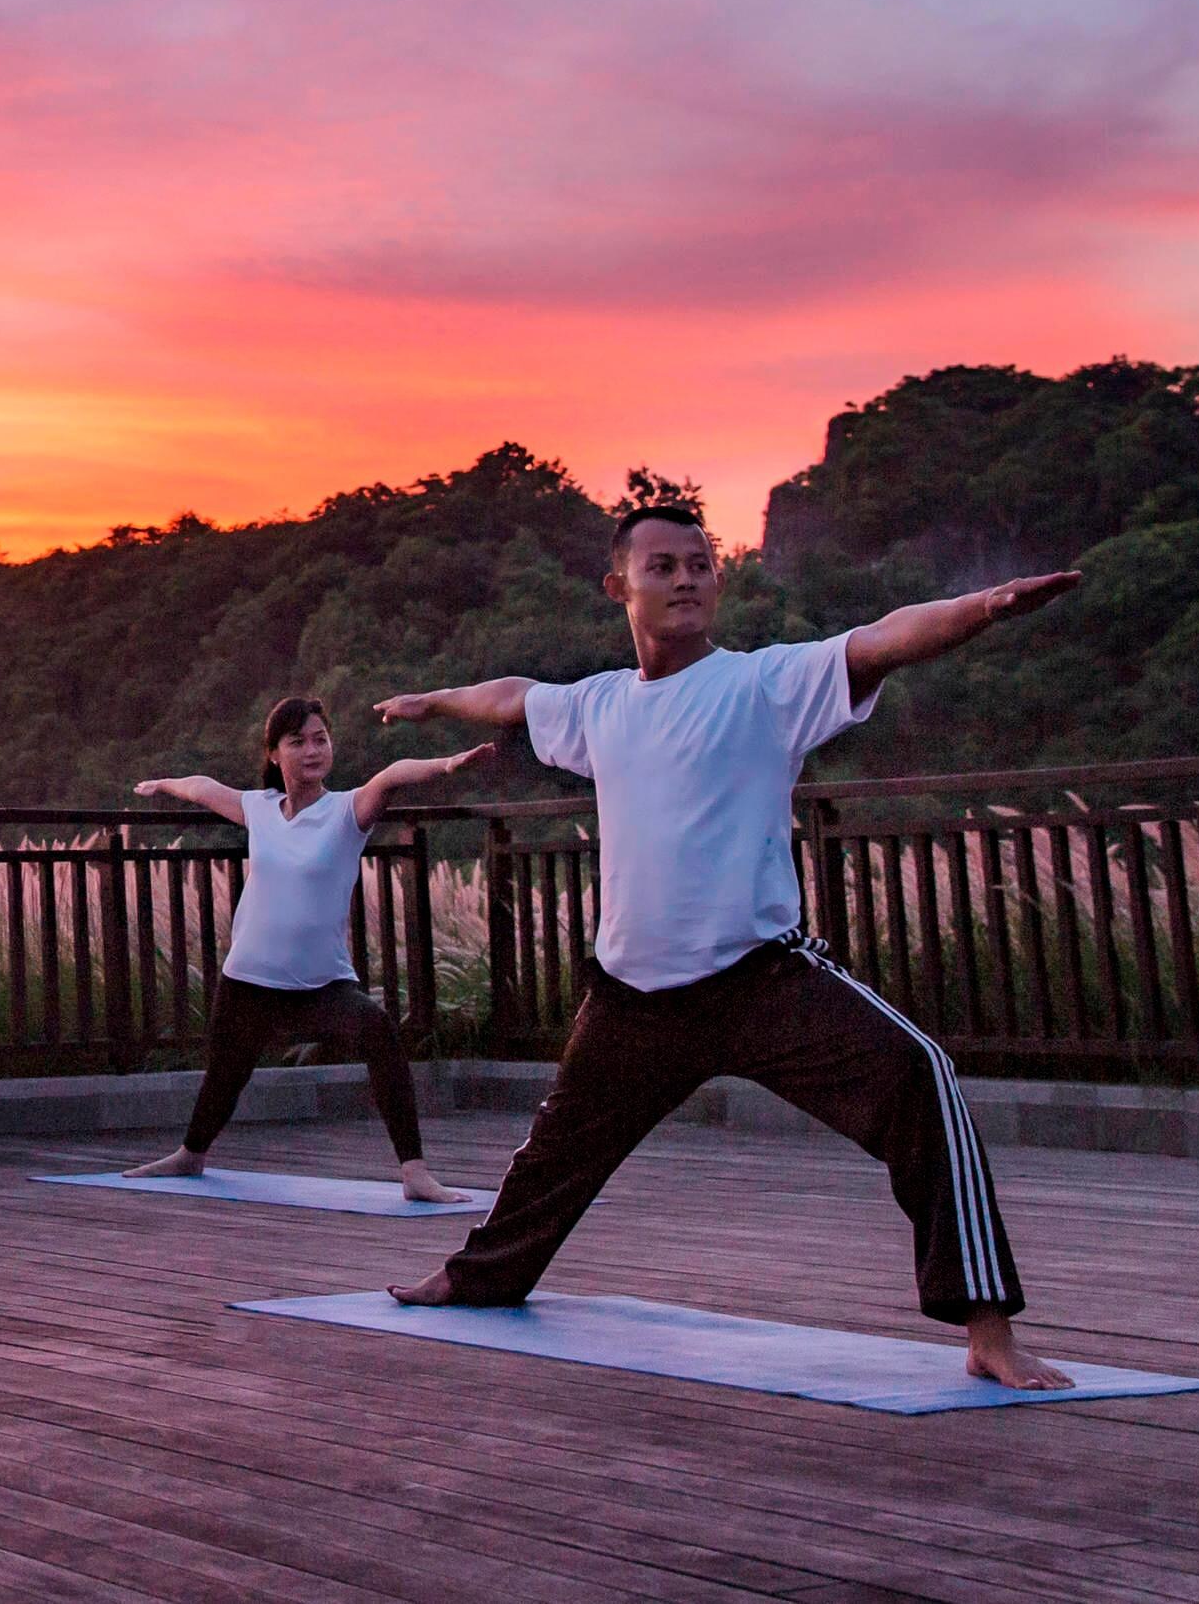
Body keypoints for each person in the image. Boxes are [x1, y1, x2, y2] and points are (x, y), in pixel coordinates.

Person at [371, 505, 1082, 1389]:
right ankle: (479, 1277)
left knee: (920, 1075)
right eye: (662, 566)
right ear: (618, 587)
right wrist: (434, 701)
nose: (685, 580)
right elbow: (514, 698)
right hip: (631, 999)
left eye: (699, 565)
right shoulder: (598, 705)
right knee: (551, 1159)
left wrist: (983, 605)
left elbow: (880, 641)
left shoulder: (764, 684)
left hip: (760, 981)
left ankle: (987, 1328)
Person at [126, 697, 497, 1200]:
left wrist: (448, 764)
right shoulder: (258, 809)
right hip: (247, 981)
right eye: (297, 741)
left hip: (320, 984)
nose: (311, 750)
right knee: (225, 1074)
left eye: (320, 739)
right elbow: (204, 789)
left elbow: (391, 776)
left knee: (377, 1031)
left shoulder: (346, 812)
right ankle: (190, 1155)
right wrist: (163, 784)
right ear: (275, 754)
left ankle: (414, 1173)